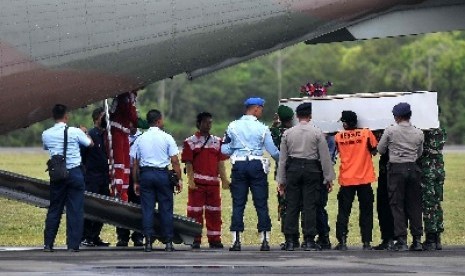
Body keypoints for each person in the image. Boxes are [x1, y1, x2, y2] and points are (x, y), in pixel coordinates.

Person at [221, 97, 279, 251]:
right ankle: (265, 240)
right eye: (261, 109)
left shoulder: (232, 126)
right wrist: (283, 160)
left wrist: (236, 148)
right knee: (261, 202)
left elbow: (224, 150)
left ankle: (236, 241)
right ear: (255, 109)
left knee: (238, 203)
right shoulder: (262, 128)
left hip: (239, 165)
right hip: (257, 164)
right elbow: (273, 151)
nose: (261, 111)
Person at [277, 102, 335, 251]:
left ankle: (290, 240)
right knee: (310, 205)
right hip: (312, 169)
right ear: (310, 116)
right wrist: (328, 178)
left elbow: (282, 159)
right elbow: (325, 157)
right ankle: (309, 239)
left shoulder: (288, 133)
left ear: (297, 116)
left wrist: (281, 180)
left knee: (291, 205)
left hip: (293, 169)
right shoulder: (317, 133)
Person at [42, 104, 93, 252]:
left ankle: (48, 244)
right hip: (75, 173)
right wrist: (85, 132)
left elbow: (46, 148)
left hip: (57, 174)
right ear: (66, 116)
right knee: (75, 210)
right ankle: (73, 245)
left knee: (54, 209)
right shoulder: (75, 131)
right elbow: (90, 144)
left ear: (53, 117)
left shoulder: (46, 134)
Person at [132, 109, 183, 252]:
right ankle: (168, 242)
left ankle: (148, 241)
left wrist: (136, 182)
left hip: (146, 175)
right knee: (165, 209)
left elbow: (135, 163)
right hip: (162, 175)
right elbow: (175, 162)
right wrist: (179, 179)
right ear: (159, 121)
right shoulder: (167, 137)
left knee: (147, 209)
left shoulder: (140, 138)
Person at [377, 102, 424, 251]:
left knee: (397, 205)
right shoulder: (419, 132)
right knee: (414, 205)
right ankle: (417, 240)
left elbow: (381, 149)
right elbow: (419, 153)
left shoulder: (390, 131)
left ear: (397, 116)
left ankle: (402, 240)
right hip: (413, 168)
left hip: (396, 169)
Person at [182, 112, 230, 249]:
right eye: (205, 122)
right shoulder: (190, 142)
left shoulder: (217, 141)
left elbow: (220, 162)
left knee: (214, 212)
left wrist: (224, 179)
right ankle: (195, 239)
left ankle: (215, 239)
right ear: (199, 124)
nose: (208, 125)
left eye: (210, 122)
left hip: (214, 184)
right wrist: (190, 180)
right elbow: (188, 163)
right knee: (194, 212)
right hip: (197, 185)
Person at [334, 111, 377, 250]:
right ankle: (366, 242)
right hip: (364, 178)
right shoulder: (366, 134)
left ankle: (342, 241)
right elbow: (375, 150)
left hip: (347, 179)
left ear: (346, 123)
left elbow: (335, 151)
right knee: (366, 211)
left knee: (343, 212)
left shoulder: (338, 136)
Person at [81, 107, 111, 247]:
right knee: (90, 207)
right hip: (92, 177)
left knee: (103, 208)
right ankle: (86, 236)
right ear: (96, 119)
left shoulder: (108, 136)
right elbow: (83, 157)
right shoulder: (90, 136)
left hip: (105, 178)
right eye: (103, 117)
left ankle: (95, 235)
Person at [270, 105, 297, 249]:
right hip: (297, 170)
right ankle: (301, 238)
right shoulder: (295, 132)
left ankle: (289, 239)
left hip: (282, 174)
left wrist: (275, 124)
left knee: (285, 206)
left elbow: (271, 136)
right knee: (299, 204)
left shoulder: (275, 132)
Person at [418, 126, 447, 250]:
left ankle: (430, 239)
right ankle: (437, 238)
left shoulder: (424, 131)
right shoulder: (441, 130)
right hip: (439, 169)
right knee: (436, 204)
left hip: (428, 170)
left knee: (428, 204)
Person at [116, 126, 145, 247]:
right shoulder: (120, 135)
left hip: (137, 174)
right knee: (122, 206)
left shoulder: (143, 137)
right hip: (122, 174)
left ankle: (138, 236)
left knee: (139, 206)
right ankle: (122, 236)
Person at [372, 131, 395, 250]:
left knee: (384, 204)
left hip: (387, 169)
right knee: (398, 204)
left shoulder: (385, 131)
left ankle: (388, 238)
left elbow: (377, 150)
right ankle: (400, 239)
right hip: (401, 167)